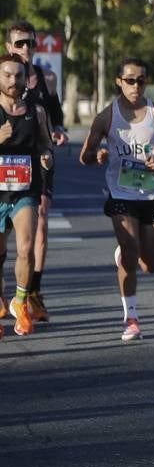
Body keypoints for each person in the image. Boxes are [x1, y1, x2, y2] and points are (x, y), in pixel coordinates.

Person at [79, 57, 154, 341]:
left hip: (152, 193)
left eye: (141, 80)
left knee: (151, 264)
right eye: (130, 80)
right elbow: (84, 156)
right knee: (130, 248)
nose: (136, 85)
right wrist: (96, 155)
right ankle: (131, 318)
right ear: (119, 82)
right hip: (120, 192)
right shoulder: (107, 117)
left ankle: (127, 253)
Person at [4, 22, 68, 324]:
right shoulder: (4, 77)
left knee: (38, 227)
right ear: (8, 48)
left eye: (30, 43)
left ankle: (30, 293)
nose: (26, 49)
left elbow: (55, 117)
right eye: (20, 44)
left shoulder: (47, 78)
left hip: (34, 168)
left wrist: (56, 134)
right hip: (3, 175)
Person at [0, 53, 53, 339]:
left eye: (18, 75)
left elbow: (46, 144)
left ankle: (20, 302)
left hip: (25, 190)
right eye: (7, 74)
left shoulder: (37, 111)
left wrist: (46, 155)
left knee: (25, 248)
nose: (13, 80)